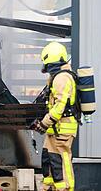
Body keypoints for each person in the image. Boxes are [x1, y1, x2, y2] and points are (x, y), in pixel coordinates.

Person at [31, 41, 78, 191]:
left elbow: (60, 106)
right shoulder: (57, 76)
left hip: (62, 129)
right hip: (55, 128)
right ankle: (49, 186)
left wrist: (44, 124)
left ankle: (66, 188)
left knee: (61, 160)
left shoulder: (62, 78)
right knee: (48, 158)